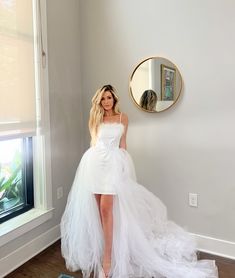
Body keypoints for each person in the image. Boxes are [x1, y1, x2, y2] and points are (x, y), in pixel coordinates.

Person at [60, 85, 218, 278]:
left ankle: (107, 260)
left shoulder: (122, 118)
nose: (106, 101)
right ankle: (105, 248)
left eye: (109, 98)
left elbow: (123, 145)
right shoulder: (96, 118)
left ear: (114, 99)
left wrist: (124, 169)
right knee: (99, 212)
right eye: (103, 99)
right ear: (99, 102)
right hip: (94, 164)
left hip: (113, 165)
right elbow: (94, 142)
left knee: (106, 209)